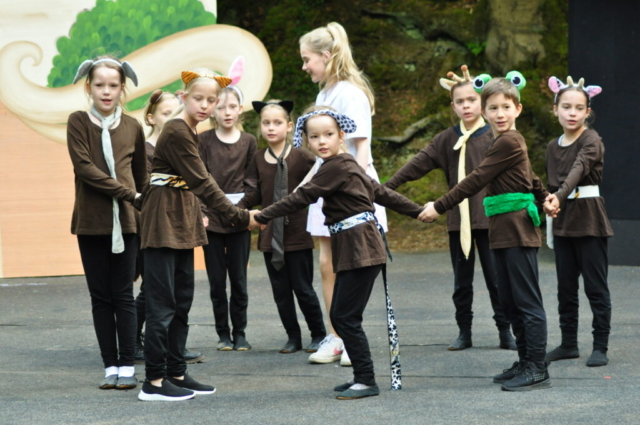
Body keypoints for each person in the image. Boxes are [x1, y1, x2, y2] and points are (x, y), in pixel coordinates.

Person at [249, 106, 424, 400]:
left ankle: (366, 380)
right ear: (306, 140)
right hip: (355, 246)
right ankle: (361, 376)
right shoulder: (345, 164)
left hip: (361, 247)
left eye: (328, 134)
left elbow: (302, 197)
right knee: (343, 315)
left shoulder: (339, 166)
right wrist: (418, 211)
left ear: (341, 135)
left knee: (344, 316)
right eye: (314, 136)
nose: (322, 141)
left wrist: (263, 216)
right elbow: (380, 192)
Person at [420, 73, 554, 391]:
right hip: (502, 228)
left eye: (506, 107)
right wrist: (544, 195)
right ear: (484, 110)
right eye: (492, 108)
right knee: (509, 300)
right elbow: (529, 174)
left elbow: (476, 178)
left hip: (518, 228)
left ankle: (537, 367)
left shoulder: (508, 140)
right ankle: (525, 360)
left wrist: (439, 206)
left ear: (517, 109)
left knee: (526, 301)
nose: (500, 114)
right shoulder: (501, 140)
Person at [137, 68, 250, 401]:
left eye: (211, 100)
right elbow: (202, 181)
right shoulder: (176, 130)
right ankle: (153, 382)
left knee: (182, 300)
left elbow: (195, 185)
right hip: (162, 221)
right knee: (162, 304)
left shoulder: (190, 131)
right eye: (198, 98)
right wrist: (237, 216)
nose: (205, 105)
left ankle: (176, 372)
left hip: (182, 218)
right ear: (183, 97)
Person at [385, 65, 515, 351]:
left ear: (483, 102)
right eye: (460, 101)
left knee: (497, 279)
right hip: (459, 221)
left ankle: (505, 331)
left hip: (492, 219)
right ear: (452, 105)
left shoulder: (496, 135)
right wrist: (383, 189)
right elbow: (416, 166)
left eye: (472, 100)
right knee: (462, 282)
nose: (467, 105)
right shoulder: (446, 139)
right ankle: (464, 332)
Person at [298, 22, 387, 366]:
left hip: (349, 191)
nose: (305, 66)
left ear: (325, 56)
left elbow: (360, 148)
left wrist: (358, 191)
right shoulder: (324, 95)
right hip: (326, 187)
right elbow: (321, 154)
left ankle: (351, 337)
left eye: (308, 59)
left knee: (352, 265)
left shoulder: (350, 93)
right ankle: (335, 336)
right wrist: (303, 187)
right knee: (326, 263)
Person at [67, 56, 147, 390]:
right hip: (91, 222)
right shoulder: (77, 122)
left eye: (113, 85)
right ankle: (110, 365)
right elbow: (84, 168)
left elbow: (142, 176)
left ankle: (127, 366)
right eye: (99, 84)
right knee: (100, 297)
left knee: (123, 296)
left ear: (122, 88)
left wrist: (141, 207)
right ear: (89, 86)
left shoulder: (133, 127)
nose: (106, 91)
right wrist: (129, 194)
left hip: (127, 224)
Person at [238, 100, 326, 353]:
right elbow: (252, 192)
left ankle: (318, 333)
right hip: (269, 237)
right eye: (266, 123)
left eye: (277, 123)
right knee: (280, 292)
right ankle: (293, 337)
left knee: (303, 288)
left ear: (289, 126)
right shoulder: (256, 158)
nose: (271, 128)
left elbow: (323, 177)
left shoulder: (302, 156)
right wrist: (237, 212)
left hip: (298, 234)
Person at [543, 76, 612, 367]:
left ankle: (600, 346)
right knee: (565, 287)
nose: (572, 113)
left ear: (587, 112)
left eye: (579, 108)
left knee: (595, 286)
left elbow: (578, 169)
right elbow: (550, 181)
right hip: (563, 221)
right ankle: (568, 343)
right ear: (555, 109)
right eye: (567, 106)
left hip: (589, 220)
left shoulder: (591, 139)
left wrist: (557, 195)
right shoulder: (551, 146)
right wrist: (546, 200)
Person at [134, 90, 204, 364]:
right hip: (158, 226)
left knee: (177, 294)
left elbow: (197, 183)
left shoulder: (186, 142)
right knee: (154, 292)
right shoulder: (149, 150)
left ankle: (175, 359)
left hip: (181, 226)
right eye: (167, 113)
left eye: (177, 111)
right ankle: (137, 346)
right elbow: (143, 189)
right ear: (151, 118)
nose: (174, 118)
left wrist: (200, 212)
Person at [198, 86, 257, 351]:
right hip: (211, 221)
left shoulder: (249, 142)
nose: (226, 112)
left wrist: (240, 211)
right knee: (216, 281)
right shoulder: (204, 140)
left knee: (239, 281)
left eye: (232, 106)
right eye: (220, 107)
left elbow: (253, 183)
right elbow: (198, 181)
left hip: (239, 220)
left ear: (240, 109)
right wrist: (202, 212)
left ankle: (240, 333)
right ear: (212, 110)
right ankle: (223, 334)